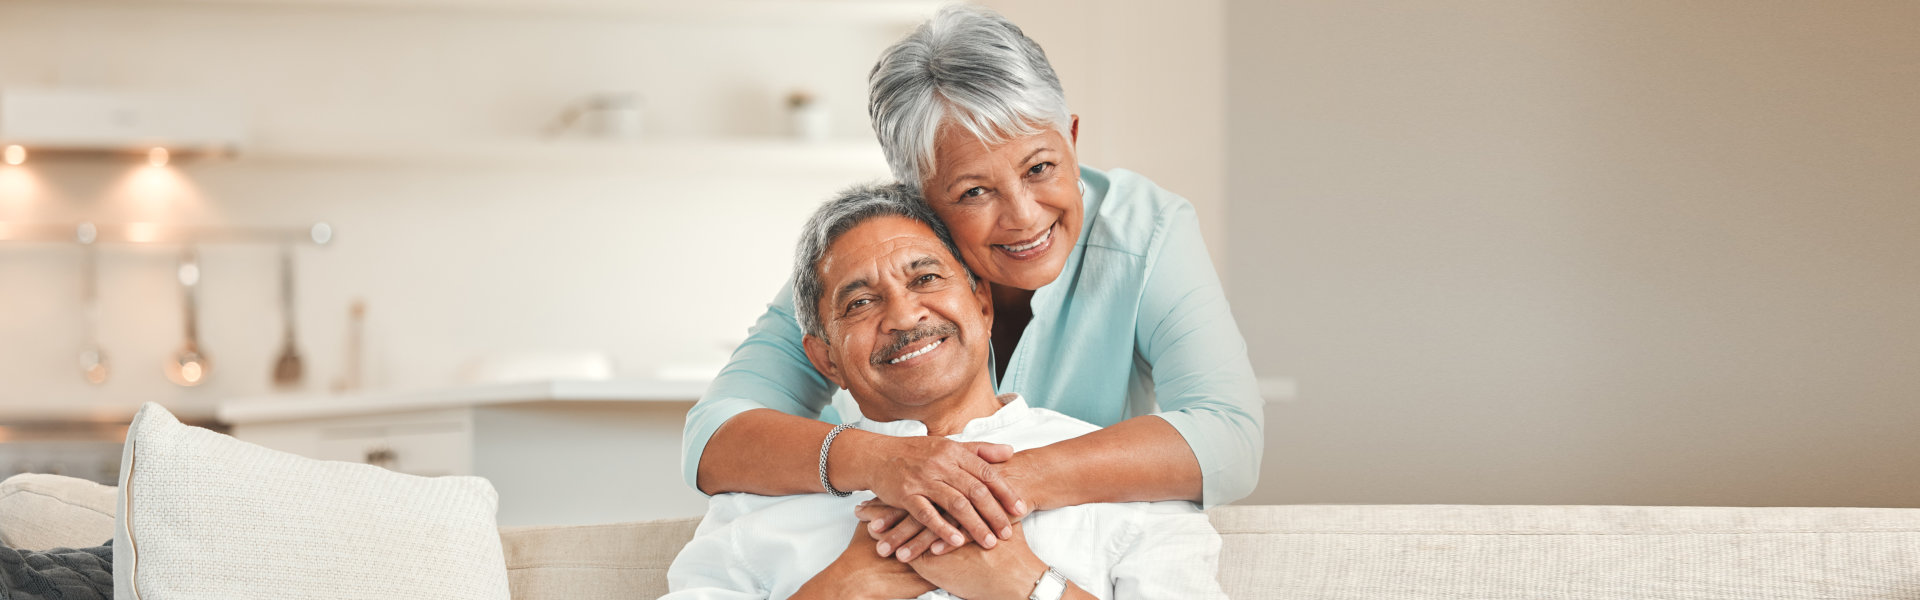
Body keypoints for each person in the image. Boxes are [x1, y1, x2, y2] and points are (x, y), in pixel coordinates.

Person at [684, 5, 1264, 561]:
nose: (1024, 216)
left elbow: (1229, 438)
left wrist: (989, 486)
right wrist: (884, 463)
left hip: (1069, 550)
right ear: (917, 195)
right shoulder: (868, 252)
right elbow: (712, 436)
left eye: (1040, 168)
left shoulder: (1148, 230)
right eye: (973, 191)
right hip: (878, 538)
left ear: (1073, 137)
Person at [664, 183, 1225, 600]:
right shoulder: (756, 503)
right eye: (860, 302)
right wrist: (840, 588)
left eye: (925, 277)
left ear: (982, 304)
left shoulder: (1131, 492)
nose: (905, 315)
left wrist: (1028, 586)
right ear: (825, 357)